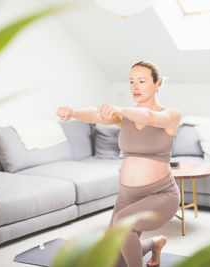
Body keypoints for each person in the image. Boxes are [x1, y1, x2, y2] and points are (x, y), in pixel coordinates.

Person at [56, 61, 181, 267]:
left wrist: (119, 109)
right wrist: (74, 113)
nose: (135, 86)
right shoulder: (124, 117)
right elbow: (97, 114)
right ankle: (154, 244)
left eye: (142, 81)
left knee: (123, 223)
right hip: (126, 196)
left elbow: (149, 117)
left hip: (161, 195)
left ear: (157, 84)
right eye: (132, 81)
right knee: (113, 260)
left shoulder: (170, 115)